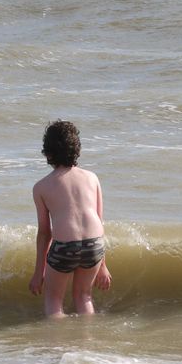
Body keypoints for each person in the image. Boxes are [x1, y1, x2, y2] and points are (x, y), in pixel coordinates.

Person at [29, 120, 111, 317]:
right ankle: (87, 334)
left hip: (65, 248)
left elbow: (45, 233)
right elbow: (99, 222)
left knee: (53, 299)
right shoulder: (92, 178)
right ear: (76, 149)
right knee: (84, 296)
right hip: (94, 246)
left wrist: (39, 272)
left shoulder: (41, 187)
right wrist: (103, 265)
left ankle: (57, 336)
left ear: (48, 153)